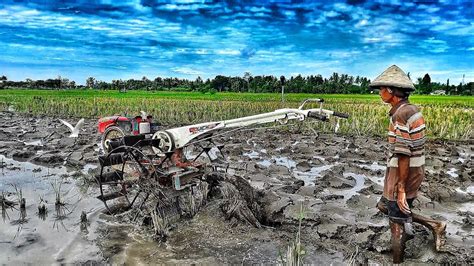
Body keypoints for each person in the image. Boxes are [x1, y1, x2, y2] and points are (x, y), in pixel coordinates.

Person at [369, 65, 446, 264]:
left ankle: (397, 261)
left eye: (382, 89)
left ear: (392, 91)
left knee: (396, 225)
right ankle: (434, 224)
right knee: (384, 206)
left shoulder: (400, 115)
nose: (380, 93)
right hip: (412, 170)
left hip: (402, 174)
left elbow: (404, 154)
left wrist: (401, 188)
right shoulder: (411, 109)